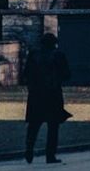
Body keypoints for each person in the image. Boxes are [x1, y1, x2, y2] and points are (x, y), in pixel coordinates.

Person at [24, 33, 72, 164]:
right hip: (53, 94)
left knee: (34, 125)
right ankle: (50, 155)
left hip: (36, 95)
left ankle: (29, 150)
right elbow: (67, 74)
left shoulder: (34, 55)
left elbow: (26, 73)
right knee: (53, 127)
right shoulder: (58, 56)